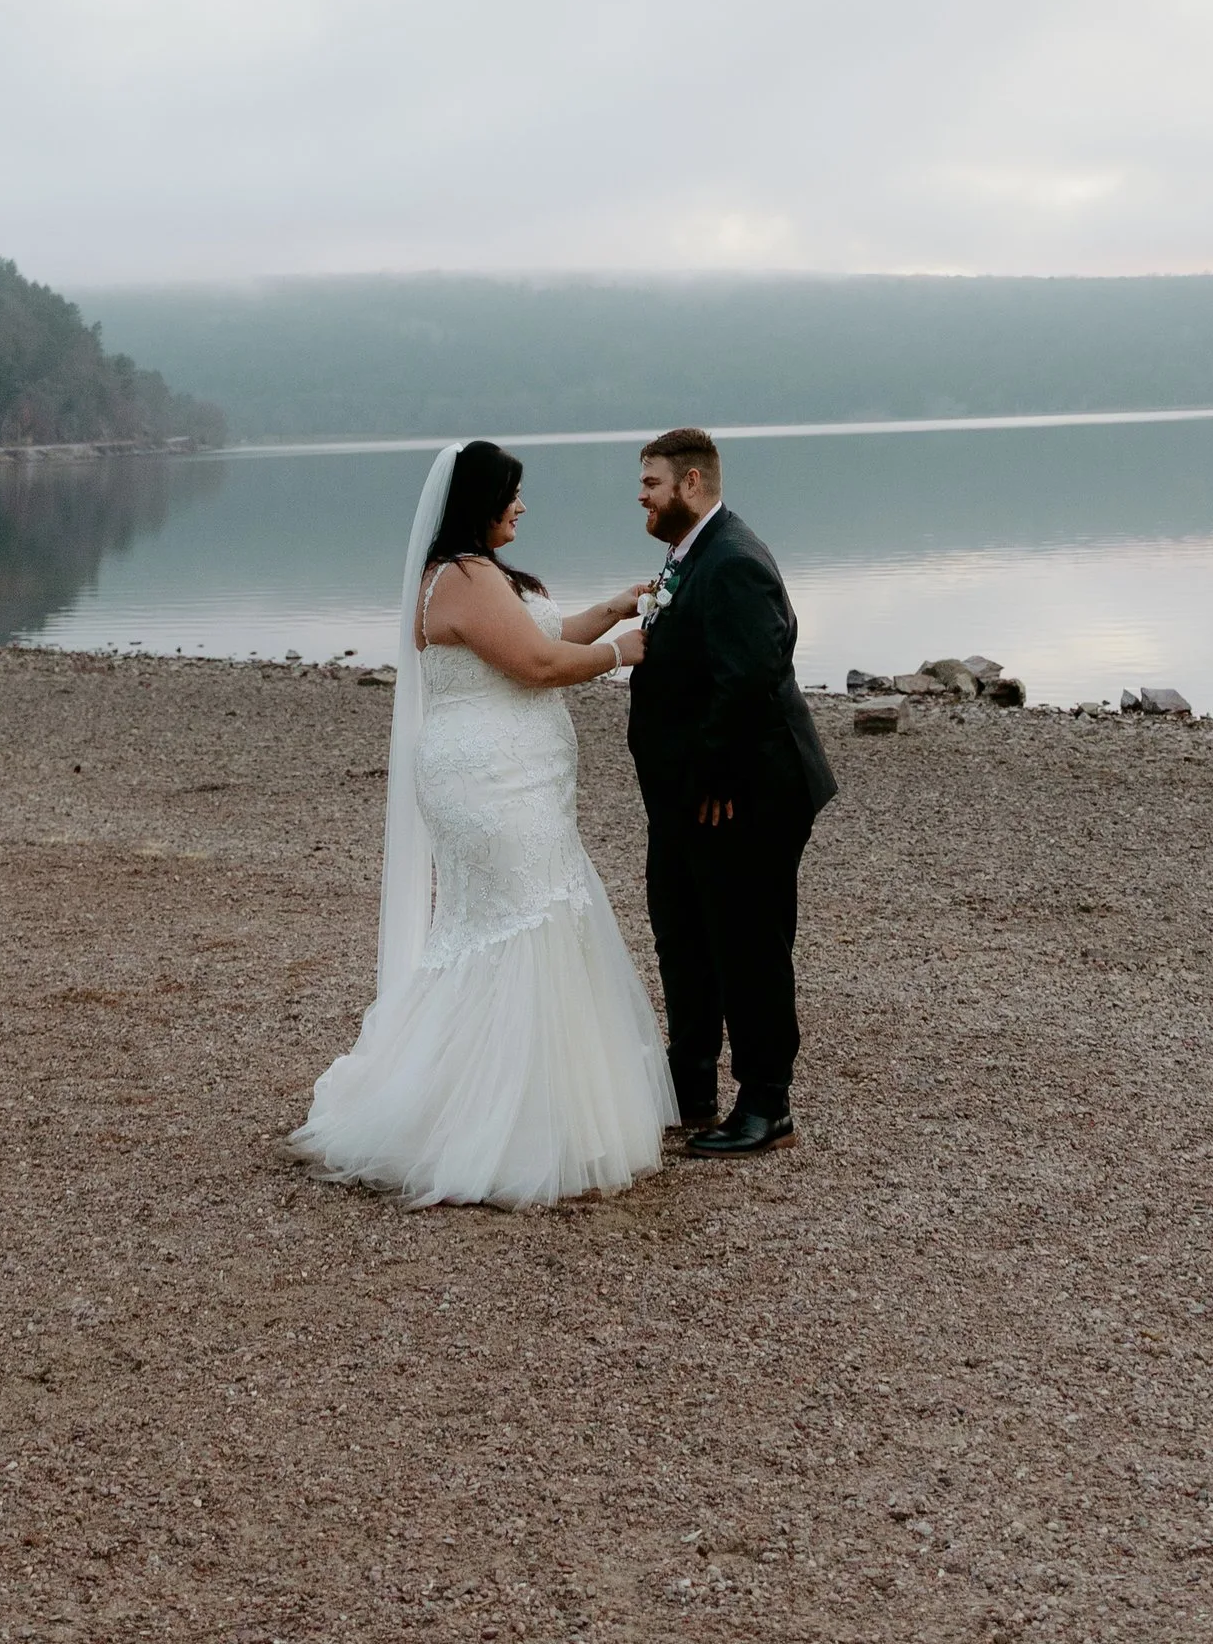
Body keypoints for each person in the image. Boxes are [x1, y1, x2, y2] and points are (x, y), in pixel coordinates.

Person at [290, 438, 673, 1206]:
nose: (522, 507)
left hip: (524, 783)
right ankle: (490, 1130)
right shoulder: (460, 579)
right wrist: (624, 653)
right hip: (488, 785)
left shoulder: (481, 575)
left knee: (525, 923)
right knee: (513, 928)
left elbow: (547, 632)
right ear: (480, 502)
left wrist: (616, 607)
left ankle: (538, 1115)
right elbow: (536, 666)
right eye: (512, 495)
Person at [614, 424, 834, 1156]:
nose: (639, 495)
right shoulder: (689, 556)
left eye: (650, 483)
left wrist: (713, 778)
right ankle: (692, 1085)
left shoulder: (735, 560)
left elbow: (751, 676)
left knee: (748, 946)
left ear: (692, 484)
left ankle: (768, 1105)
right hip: (688, 799)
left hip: (745, 794)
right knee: (683, 938)